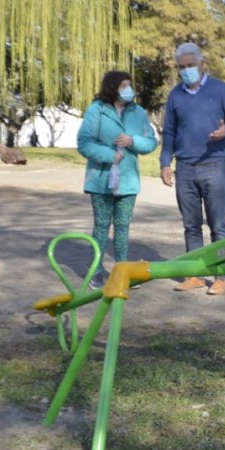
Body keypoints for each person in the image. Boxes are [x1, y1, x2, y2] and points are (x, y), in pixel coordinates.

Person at [160, 42, 225, 296]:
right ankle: (195, 273)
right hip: (184, 168)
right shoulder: (175, 95)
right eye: (181, 67)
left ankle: (222, 275)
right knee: (191, 226)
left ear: (202, 65)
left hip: (214, 165)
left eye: (190, 66)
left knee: (218, 226)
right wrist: (165, 162)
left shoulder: (220, 90)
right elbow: (170, 131)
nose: (186, 70)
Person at [77, 70, 158, 289]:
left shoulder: (138, 112)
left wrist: (133, 141)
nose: (128, 89)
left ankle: (123, 270)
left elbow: (151, 142)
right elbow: (84, 143)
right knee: (101, 226)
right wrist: (109, 156)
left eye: (129, 85)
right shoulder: (97, 110)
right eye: (123, 85)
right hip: (101, 180)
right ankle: (96, 271)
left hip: (128, 180)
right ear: (112, 87)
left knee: (123, 226)